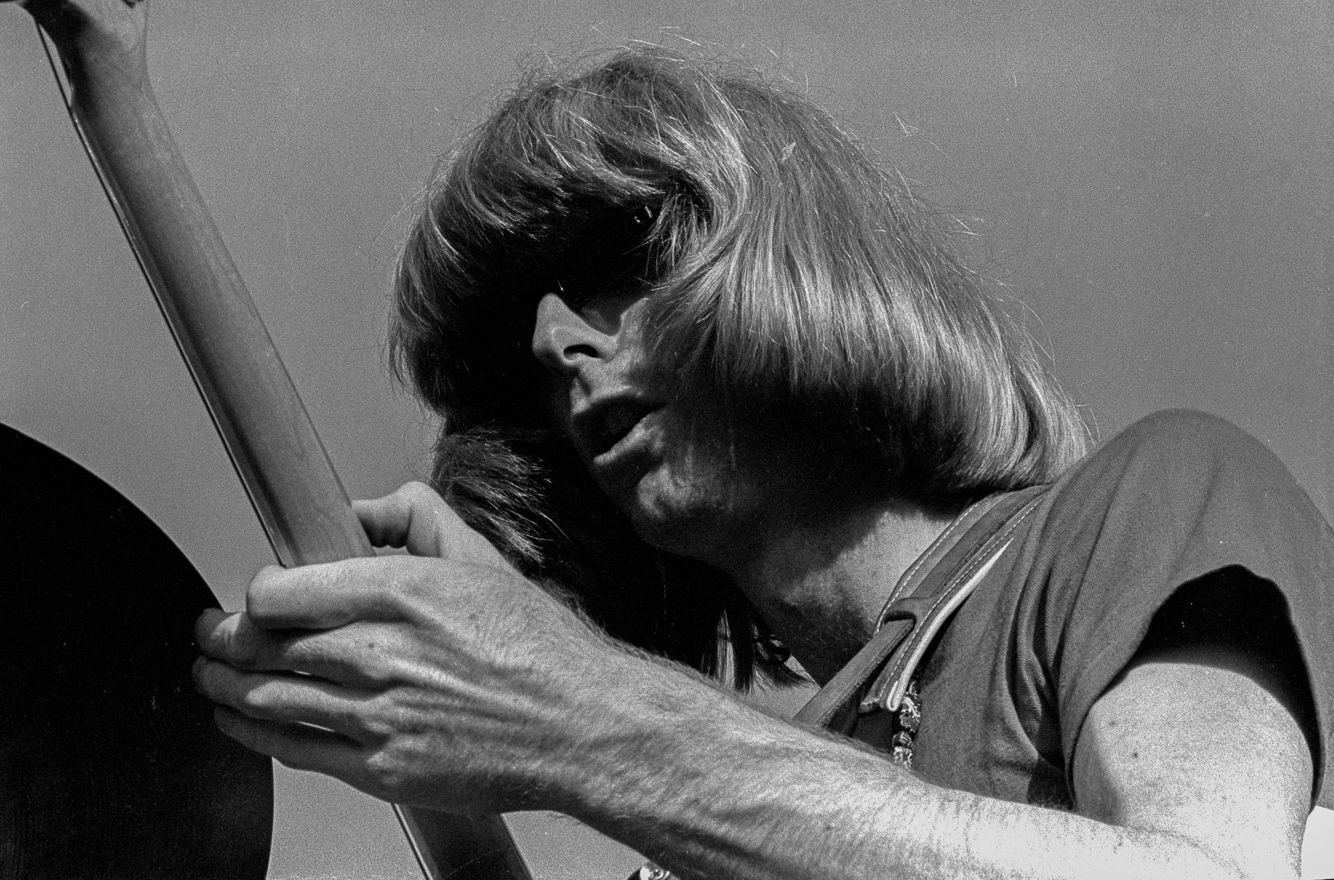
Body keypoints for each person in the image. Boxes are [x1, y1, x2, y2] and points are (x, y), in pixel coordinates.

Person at [104, 36, 1319, 880]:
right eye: (527, 352)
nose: (553, 340)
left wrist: (581, 723)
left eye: (612, 266)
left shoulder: (1144, 501)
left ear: (786, 265)